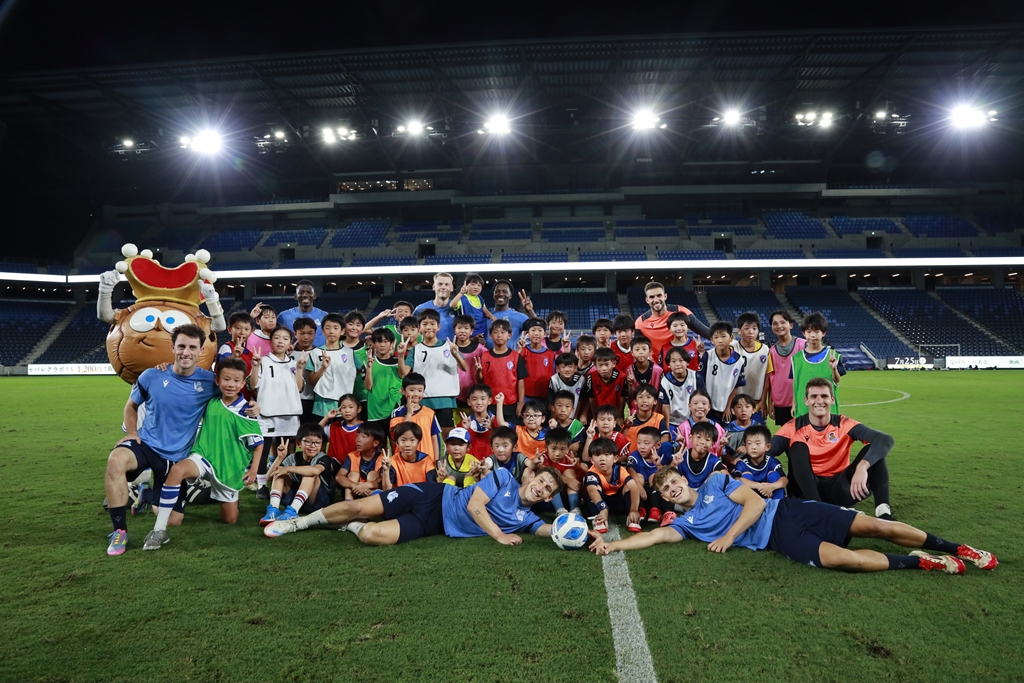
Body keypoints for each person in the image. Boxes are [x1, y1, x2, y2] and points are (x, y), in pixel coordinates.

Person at [588, 467, 998, 576]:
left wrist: (729, 536)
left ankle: (955, 547)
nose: (672, 489)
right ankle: (920, 561)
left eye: (674, 482)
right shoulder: (687, 524)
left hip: (788, 511)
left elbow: (753, 504)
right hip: (778, 539)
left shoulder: (715, 481)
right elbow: (654, 537)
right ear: (664, 498)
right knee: (842, 560)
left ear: (683, 479)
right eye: (666, 490)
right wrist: (612, 544)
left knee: (876, 526)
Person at [102, 324, 257, 556]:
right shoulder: (152, 375)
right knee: (116, 460)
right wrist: (132, 433)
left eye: (192, 347)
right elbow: (131, 406)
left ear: (201, 351)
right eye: (182, 346)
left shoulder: (210, 382)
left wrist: (254, 405)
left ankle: (145, 494)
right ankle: (119, 532)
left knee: (174, 520)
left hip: (176, 458)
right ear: (172, 347)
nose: (186, 352)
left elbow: (233, 393)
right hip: (146, 444)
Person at [264, 465, 564, 549]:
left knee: (371, 535)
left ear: (548, 498)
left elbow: (551, 530)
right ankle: (297, 523)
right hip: (432, 496)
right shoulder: (503, 477)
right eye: (541, 480)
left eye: (548, 489)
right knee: (358, 507)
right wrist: (498, 535)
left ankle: (350, 527)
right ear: (532, 476)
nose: (541, 487)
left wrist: (581, 534)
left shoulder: (527, 518)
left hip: (435, 524)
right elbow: (475, 505)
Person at [141, 358, 264, 550]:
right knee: (177, 470)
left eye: (236, 381)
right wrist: (165, 366)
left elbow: (258, 443)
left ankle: (152, 494)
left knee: (230, 520)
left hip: (229, 468)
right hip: (203, 455)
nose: (230, 384)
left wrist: (254, 470)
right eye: (226, 379)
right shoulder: (211, 400)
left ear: (242, 384)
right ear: (217, 380)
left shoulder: (246, 411)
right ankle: (159, 530)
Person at [769, 378, 896, 520]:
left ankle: (884, 513)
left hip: (838, 489)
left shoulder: (844, 424)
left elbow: (885, 439)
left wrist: (862, 466)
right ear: (806, 401)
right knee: (798, 448)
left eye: (824, 396)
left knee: (874, 453)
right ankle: (818, 509)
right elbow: (765, 453)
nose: (819, 401)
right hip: (805, 491)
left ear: (832, 400)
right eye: (814, 396)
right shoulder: (793, 427)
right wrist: (777, 476)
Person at [247, 326, 307, 496]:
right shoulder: (263, 361)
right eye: (277, 338)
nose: (281, 341)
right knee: (263, 450)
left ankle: (284, 483)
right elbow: (252, 385)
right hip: (267, 414)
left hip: (290, 414)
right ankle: (261, 485)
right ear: (271, 341)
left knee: (287, 451)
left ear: (290, 343)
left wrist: (300, 369)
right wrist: (255, 366)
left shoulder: (294, 363)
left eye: (285, 338)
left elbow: (299, 388)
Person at [398, 309, 468, 430]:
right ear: (419, 328)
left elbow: (464, 367)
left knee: (447, 434)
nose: (429, 327)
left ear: (438, 327)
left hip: (445, 398)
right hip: (423, 398)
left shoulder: (449, 346)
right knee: (423, 433)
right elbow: (403, 374)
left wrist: (456, 354)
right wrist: (400, 355)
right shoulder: (416, 349)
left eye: (432, 323)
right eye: (425, 324)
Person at [259, 426, 334, 526]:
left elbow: (315, 471)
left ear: (322, 446)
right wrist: (280, 458)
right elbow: (269, 477)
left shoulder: (323, 458)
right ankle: (274, 509)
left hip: (319, 502)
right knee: (279, 473)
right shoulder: (293, 457)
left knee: (309, 474)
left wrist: (288, 469)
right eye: (308, 441)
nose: (312, 446)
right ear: (299, 443)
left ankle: (292, 512)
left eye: (317, 442)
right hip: (296, 500)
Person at [634, 281, 712, 362]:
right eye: (652, 297)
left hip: (683, 363)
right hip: (659, 365)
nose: (656, 300)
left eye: (659, 295)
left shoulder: (681, 311)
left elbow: (707, 332)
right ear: (647, 300)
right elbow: (636, 346)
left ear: (665, 296)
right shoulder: (641, 322)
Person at [791, 312, 845, 418]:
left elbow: (837, 381)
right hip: (803, 409)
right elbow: (796, 384)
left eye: (817, 331)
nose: (813, 335)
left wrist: (834, 369)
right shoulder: (796, 359)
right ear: (803, 333)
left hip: (828, 410)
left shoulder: (833, 355)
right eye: (809, 331)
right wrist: (794, 404)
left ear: (823, 333)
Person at [584, 437, 642, 533]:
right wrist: (603, 508)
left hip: (617, 502)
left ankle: (631, 517)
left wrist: (634, 510)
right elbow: (591, 490)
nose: (602, 459)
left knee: (628, 486)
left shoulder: (620, 470)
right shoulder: (591, 472)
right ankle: (598, 518)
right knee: (595, 488)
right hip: (600, 503)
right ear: (592, 460)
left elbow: (634, 488)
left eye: (607, 454)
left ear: (615, 458)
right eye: (597, 455)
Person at [306, 313, 357, 418]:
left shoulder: (349, 353)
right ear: (323, 331)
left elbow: (358, 371)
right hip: (321, 404)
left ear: (342, 331)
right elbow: (311, 381)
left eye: (335, 328)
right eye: (328, 328)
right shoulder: (315, 353)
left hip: (344, 405)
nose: (331, 331)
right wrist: (323, 368)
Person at [697, 321, 747, 422]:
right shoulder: (708, 356)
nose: (720, 340)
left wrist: (728, 406)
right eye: (716, 337)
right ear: (712, 340)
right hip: (708, 407)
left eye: (723, 336)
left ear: (731, 338)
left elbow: (736, 386)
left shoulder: (739, 360)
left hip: (726, 408)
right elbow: (701, 382)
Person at [625, 426, 676, 525]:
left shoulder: (663, 456)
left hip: (657, 495)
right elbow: (630, 469)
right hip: (640, 494)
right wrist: (640, 488)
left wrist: (658, 465)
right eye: (639, 443)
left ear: (658, 445)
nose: (642, 446)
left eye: (646, 443)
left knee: (654, 476)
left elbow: (666, 477)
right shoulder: (634, 456)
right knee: (638, 476)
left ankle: (655, 510)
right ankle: (640, 509)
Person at [389, 373, 443, 462]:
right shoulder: (397, 413)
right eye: (412, 390)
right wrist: (409, 414)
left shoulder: (430, 413)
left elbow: (435, 439)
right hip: (404, 461)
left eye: (420, 390)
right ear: (403, 391)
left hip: (426, 461)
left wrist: (436, 461)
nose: (416, 394)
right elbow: (398, 434)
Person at [476, 319, 522, 425]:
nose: (499, 335)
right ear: (490, 336)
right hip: (490, 403)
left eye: (502, 332)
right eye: (495, 332)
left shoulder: (516, 357)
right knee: (492, 431)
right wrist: (478, 372)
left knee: (510, 432)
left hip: (510, 403)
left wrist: (521, 402)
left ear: (509, 335)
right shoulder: (484, 356)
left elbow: (521, 380)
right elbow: (480, 381)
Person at [765, 310, 806, 426]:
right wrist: (770, 402)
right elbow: (771, 378)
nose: (779, 326)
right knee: (785, 435)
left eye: (782, 322)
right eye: (775, 323)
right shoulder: (771, 351)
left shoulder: (803, 345)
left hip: (801, 401)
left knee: (803, 434)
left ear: (791, 325)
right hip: (781, 402)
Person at [361, 328, 403, 436]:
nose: (382, 345)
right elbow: (368, 387)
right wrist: (369, 368)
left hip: (394, 408)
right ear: (374, 344)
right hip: (374, 410)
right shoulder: (368, 362)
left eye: (386, 341)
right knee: (378, 442)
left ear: (392, 343)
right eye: (379, 341)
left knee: (395, 441)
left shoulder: (398, 363)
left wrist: (401, 355)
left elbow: (403, 376)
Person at [731, 311, 770, 415]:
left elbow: (767, 377)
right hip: (737, 402)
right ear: (739, 331)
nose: (751, 332)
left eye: (754, 328)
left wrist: (763, 401)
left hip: (757, 402)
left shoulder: (765, 350)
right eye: (747, 328)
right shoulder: (732, 349)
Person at [734, 425, 786, 500]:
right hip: (752, 497)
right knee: (746, 475)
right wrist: (759, 486)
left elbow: (784, 480)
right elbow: (737, 479)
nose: (753, 447)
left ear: (767, 447)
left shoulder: (772, 461)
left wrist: (772, 486)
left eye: (757, 443)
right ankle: (751, 503)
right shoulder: (742, 463)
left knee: (774, 474)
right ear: (745, 446)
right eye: (749, 443)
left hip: (770, 492)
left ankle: (778, 503)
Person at [336, 423, 386, 501]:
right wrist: (355, 486)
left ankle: (371, 502)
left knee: (373, 474)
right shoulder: (352, 456)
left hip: (371, 491)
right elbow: (339, 477)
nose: (358, 440)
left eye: (364, 437)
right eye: (357, 436)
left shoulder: (382, 459)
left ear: (375, 443)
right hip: (355, 490)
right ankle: (349, 502)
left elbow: (384, 481)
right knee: (353, 474)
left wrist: (366, 485)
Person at [518, 318, 559, 411]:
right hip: (525, 397)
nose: (536, 333)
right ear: (527, 333)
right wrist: (520, 401)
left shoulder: (551, 355)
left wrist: (550, 400)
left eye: (540, 330)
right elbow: (517, 376)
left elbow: (553, 378)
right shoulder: (523, 352)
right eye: (533, 330)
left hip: (544, 399)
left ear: (544, 334)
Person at [673, 420, 726, 489]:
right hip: (684, 492)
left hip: (705, 493)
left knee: (717, 474)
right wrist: (673, 464)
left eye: (707, 440)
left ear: (712, 445)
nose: (702, 442)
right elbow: (667, 476)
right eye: (698, 437)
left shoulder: (713, 460)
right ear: (690, 438)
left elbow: (726, 474)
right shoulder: (681, 457)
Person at [659, 346, 703, 429]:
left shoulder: (696, 377)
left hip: (693, 421)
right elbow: (665, 406)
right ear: (668, 365)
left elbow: (702, 400)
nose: (678, 364)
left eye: (681, 360)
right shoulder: (665, 381)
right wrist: (667, 429)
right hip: (672, 423)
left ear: (687, 362)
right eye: (673, 361)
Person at [384, 422, 439, 488]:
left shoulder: (426, 461)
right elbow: (386, 490)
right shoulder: (392, 462)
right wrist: (386, 471)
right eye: (403, 440)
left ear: (418, 443)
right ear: (397, 443)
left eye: (412, 440)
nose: (407, 445)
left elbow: (432, 487)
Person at [276, 280, 329, 347]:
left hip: (320, 353)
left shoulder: (325, 316)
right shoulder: (283, 317)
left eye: (309, 292)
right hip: (293, 352)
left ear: (314, 296)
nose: (305, 295)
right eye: (301, 292)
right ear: (295, 296)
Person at [453, 314, 487, 417]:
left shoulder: (481, 350)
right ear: (454, 330)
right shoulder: (448, 349)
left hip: (474, 398)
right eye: (459, 327)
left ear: (472, 331)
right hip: (454, 397)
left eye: (466, 328)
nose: (462, 331)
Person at [320, 394, 362, 470]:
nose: (347, 411)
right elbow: (315, 432)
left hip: (355, 466)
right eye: (343, 407)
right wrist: (327, 417)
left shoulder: (365, 428)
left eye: (351, 407)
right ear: (339, 410)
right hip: (333, 465)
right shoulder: (334, 427)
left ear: (359, 409)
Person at [583, 347, 627, 420]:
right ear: (595, 365)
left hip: (615, 414)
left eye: (607, 365)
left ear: (614, 363)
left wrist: (619, 416)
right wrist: (595, 416)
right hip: (598, 414)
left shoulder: (622, 377)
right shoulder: (591, 377)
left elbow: (622, 398)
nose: (604, 368)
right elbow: (591, 399)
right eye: (600, 365)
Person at [413, 272, 458, 342]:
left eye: (446, 284)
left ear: (452, 288)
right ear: (434, 287)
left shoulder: (458, 308)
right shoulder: (420, 309)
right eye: (440, 284)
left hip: (452, 348)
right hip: (427, 348)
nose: (443, 287)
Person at [450, 272, 495, 340]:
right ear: (466, 286)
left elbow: (486, 312)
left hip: (482, 330)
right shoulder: (463, 298)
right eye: (473, 284)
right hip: (468, 332)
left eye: (479, 285)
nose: (476, 287)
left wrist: (493, 318)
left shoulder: (480, 298)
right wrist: (461, 293)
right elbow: (452, 305)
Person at [487, 280, 531, 349]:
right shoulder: (486, 316)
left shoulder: (519, 317)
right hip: (487, 355)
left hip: (512, 355)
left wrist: (530, 311)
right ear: (493, 295)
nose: (501, 294)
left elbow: (538, 328)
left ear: (510, 295)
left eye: (505, 291)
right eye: (497, 291)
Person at [291, 317, 318, 424]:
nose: (306, 337)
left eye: (310, 333)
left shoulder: (320, 353)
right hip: (292, 400)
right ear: (295, 334)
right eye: (302, 333)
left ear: (315, 334)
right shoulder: (287, 354)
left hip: (314, 400)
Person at [461, 383, 495, 460]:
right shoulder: (463, 424)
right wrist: (465, 430)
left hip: (492, 463)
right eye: (474, 399)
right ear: (469, 402)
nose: (479, 402)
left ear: (489, 401)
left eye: (482, 399)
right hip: (470, 464)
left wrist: (493, 429)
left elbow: (504, 444)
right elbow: (458, 447)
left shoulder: (496, 421)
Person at [625, 335, 662, 404]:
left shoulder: (658, 371)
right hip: (636, 408)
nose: (641, 352)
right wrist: (630, 385)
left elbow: (660, 396)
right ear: (632, 353)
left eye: (644, 349)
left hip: (654, 407)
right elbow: (631, 398)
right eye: (637, 349)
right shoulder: (629, 371)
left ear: (650, 351)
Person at [548, 353, 585, 417]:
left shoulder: (581, 380)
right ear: (557, 368)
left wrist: (576, 417)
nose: (567, 370)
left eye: (570, 367)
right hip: (558, 416)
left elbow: (581, 401)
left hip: (574, 416)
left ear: (576, 368)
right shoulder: (554, 380)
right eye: (563, 367)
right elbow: (551, 402)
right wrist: (554, 419)